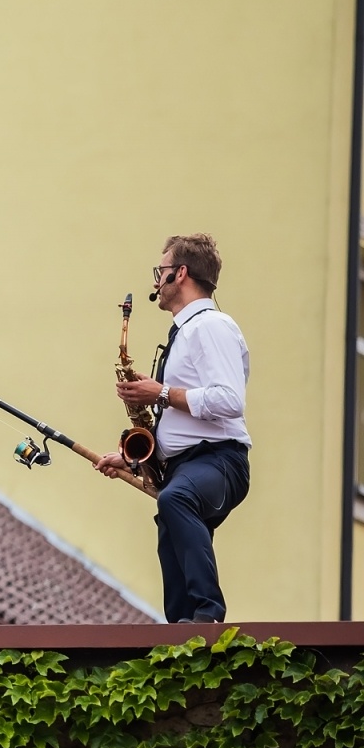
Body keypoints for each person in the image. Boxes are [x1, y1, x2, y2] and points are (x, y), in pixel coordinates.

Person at [96, 233, 251, 623]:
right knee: (170, 517)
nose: (155, 282)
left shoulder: (210, 326)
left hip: (220, 462)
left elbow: (229, 401)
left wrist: (160, 391)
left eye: (160, 272)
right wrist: (132, 461)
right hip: (188, 466)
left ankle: (208, 615)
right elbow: (181, 426)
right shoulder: (186, 332)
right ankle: (181, 636)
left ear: (180, 274)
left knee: (175, 501)